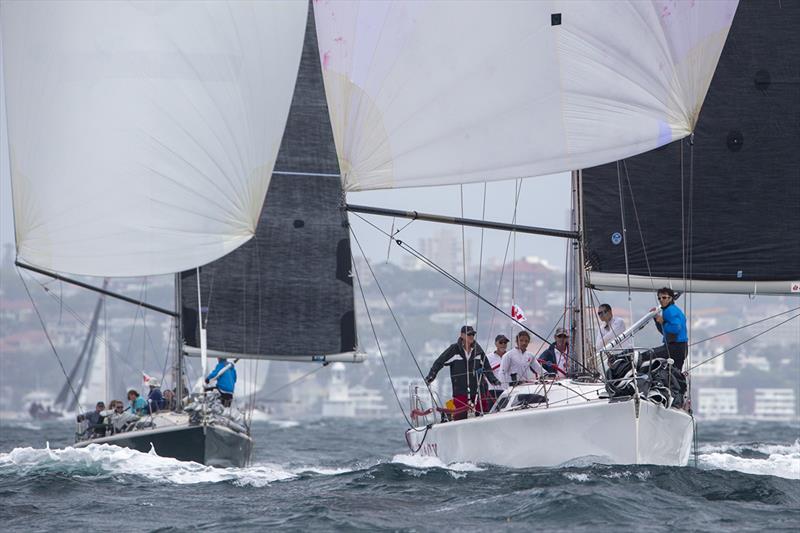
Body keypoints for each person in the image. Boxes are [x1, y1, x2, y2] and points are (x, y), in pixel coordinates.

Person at [425, 325, 501, 420]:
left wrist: (493, 380)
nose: (472, 336)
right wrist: (431, 376)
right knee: (460, 414)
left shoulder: (478, 350)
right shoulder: (454, 349)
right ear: (462, 335)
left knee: (483, 412)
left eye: (473, 334)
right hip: (460, 390)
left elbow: (487, 367)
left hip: (478, 389)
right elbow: (439, 362)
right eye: (469, 334)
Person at [646, 287, 688, 370]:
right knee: (674, 373)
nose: (661, 300)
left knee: (646, 356)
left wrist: (663, 322)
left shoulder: (670, 310)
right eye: (659, 298)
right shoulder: (668, 310)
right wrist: (656, 319)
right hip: (677, 347)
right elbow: (665, 331)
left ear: (670, 298)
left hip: (675, 347)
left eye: (664, 297)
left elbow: (676, 328)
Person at [485, 334, 509, 409]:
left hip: (508, 390)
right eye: (501, 342)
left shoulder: (510, 356)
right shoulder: (488, 358)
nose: (503, 344)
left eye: (505, 342)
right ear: (496, 344)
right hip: (493, 390)